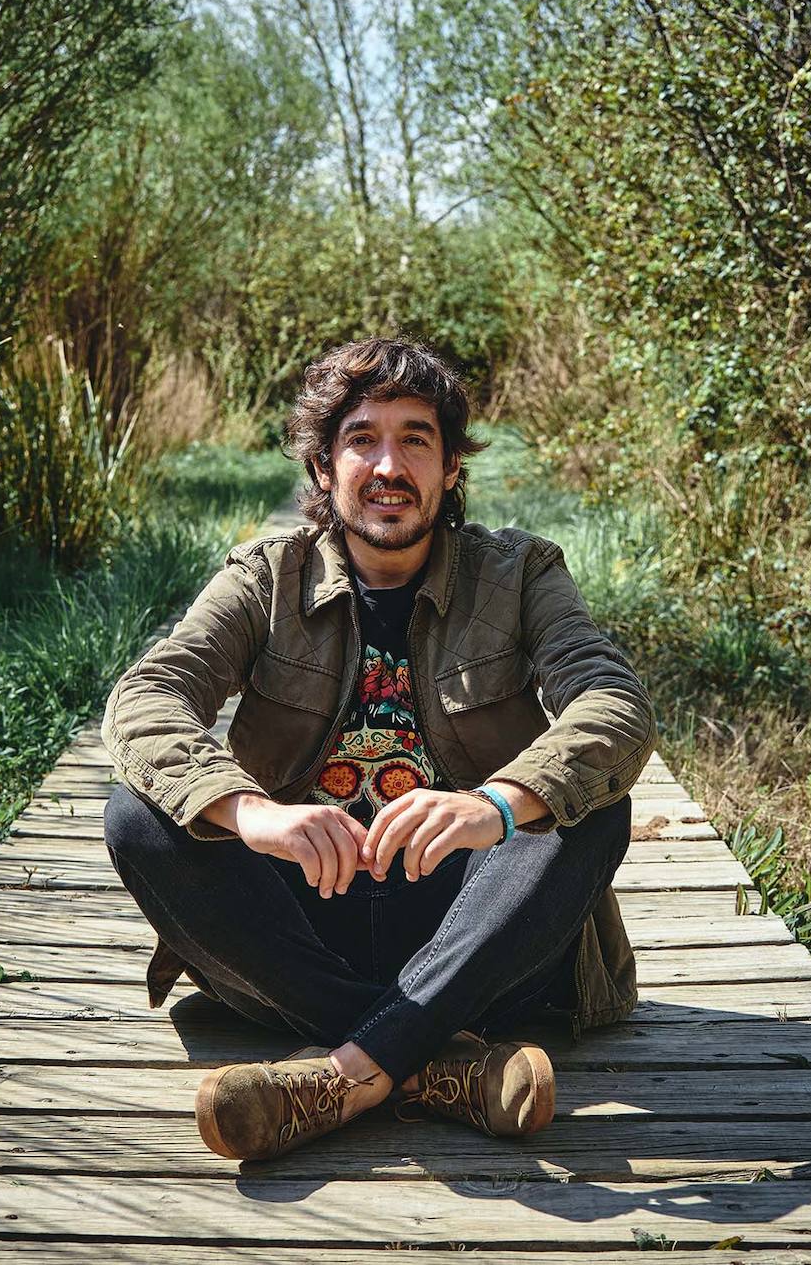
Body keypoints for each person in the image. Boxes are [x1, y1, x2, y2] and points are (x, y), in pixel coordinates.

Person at [101, 337, 656, 1164]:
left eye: (415, 440)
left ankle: (341, 1074)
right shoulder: (266, 577)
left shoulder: (521, 574)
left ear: (451, 467)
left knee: (588, 808)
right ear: (323, 467)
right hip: (298, 930)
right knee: (137, 815)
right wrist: (252, 813)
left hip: (473, 928)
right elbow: (148, 695)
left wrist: (493, 806)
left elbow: (615, 704)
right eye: (362, 439)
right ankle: (432, 1060)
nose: (389, 466)